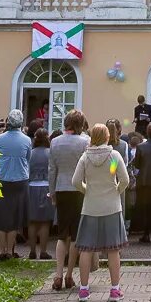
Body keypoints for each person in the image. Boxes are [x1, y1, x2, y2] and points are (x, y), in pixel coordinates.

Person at [72, 123, 129, 302]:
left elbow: (75, 181)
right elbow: (124, 179)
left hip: (90, 206)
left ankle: (83, 289)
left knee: (86, 250)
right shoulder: (113, 156)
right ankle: (114, 289)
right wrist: (115, 191)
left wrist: (86, 190)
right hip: (111, 206)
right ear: (107, 137)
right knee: (113, 250)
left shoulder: (85, 158)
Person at [48, 108, 89, 291]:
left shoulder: (55, 142)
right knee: (75, 234)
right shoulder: (85, 141)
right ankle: (70, 274)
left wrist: (52, 192)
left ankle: (57, 274)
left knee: (62, 233)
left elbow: (51, 170)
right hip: (79, 189)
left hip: (61, 188)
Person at [0, 109, 31, 260]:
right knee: (14, 218)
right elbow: (28, 158)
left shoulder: (0, 138)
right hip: (19, 180)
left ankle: (3, 250)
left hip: (1, 179)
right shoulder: (26, 140)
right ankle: (10, 251)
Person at [27, 128, 55, 259]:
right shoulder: (51, 153)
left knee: (32, 221)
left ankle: (32, 251)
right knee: (44, 222)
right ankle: (43, 251)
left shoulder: (31, 153)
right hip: (46, 187)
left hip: (31, 187)